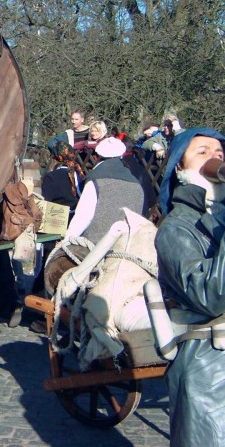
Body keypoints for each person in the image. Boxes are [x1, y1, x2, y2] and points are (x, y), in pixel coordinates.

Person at [154, 128, 225, 446]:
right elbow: (211, 296)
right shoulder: (174, 230)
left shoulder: (217, 222)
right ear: (179, 169)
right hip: (208, 373)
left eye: (221, 152)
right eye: (203, 151)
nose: (216, 156)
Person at [64, 137, 145, 244]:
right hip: (127, 247)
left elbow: (83, 217)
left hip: (94, 247)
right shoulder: (136, 184)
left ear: (98, 156)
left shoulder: (96, 180)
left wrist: (66, 240)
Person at [41, 140, 85, 218]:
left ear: (55, 156)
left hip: (57, 219)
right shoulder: (79, 174)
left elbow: (45, 202)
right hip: (77, 216)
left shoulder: (51, 177)